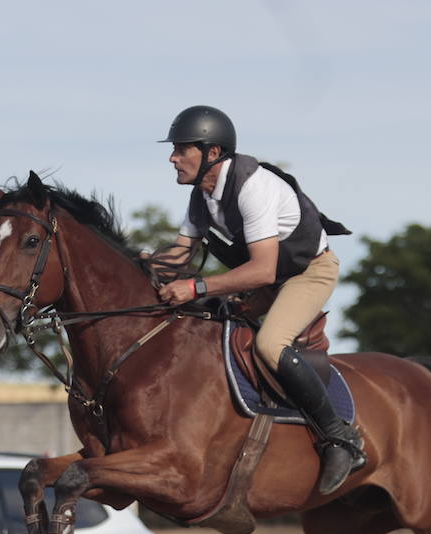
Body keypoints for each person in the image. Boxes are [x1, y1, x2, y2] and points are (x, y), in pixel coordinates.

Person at [154, 105, 361, 496]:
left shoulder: (254, 187)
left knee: (269, 344)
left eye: (182, 149)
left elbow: (263, 271)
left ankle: (339, 437)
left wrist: (196, 288)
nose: (173, 157)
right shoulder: (202, 195)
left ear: (212, 154)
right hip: (267, 277)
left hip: (307, 272)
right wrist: (137, 266)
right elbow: (179, 254)